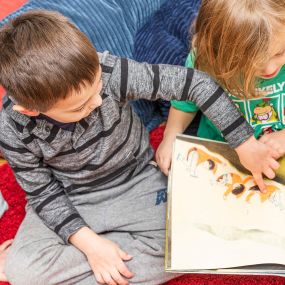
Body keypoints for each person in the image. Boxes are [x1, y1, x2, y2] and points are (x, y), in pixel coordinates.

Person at [0, 10, 278, 285]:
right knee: (23, 270)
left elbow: (197, 84)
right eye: (80, 107)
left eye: (98, 88)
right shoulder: (10, 126)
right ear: (30, 109)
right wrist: (91, 246)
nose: (98, 102)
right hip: (70, 198)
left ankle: (99, 259)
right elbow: (42, 193)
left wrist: (244, 143)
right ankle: (107, 253)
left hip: (136, 181)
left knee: (194, 243)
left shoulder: (109, 71)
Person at [156, 0, 285, 181]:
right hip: (222, 156)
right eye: (253, 63)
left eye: (280, 52)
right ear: (219, 52)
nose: (270, 69)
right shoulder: (206, 61)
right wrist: (171, 137)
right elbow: (185, 105)